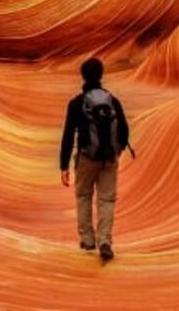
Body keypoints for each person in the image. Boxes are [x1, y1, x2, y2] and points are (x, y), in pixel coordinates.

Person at [59, 57, 130, 262]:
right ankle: (105, 240)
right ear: (101, 75)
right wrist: (117, 151)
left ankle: (88, 239)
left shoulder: (77, 103)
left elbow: (68, 135)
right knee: (106, 199)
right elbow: (124, 130)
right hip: (109, 158)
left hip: (86, 157)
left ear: (82, 76)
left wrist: (64, 165)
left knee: (83, 197)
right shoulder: (112, 100)